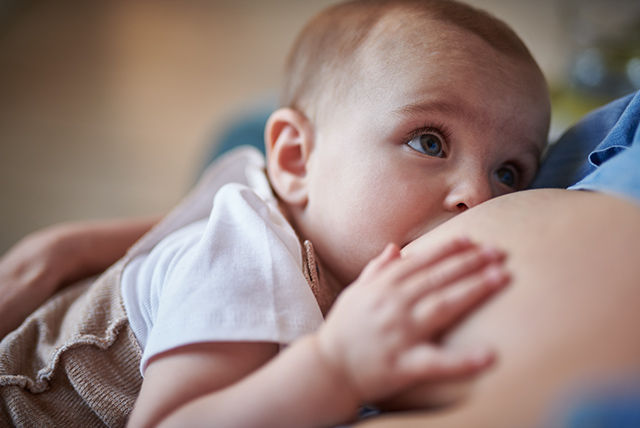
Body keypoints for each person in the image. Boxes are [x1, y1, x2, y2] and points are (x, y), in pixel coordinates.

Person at [0, 0, 552, 426]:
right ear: (295, 158)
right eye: (429, 142)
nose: (476, 195)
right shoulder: (250, 262)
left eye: (510, 172)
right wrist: (336, 367)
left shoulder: (319, 244)